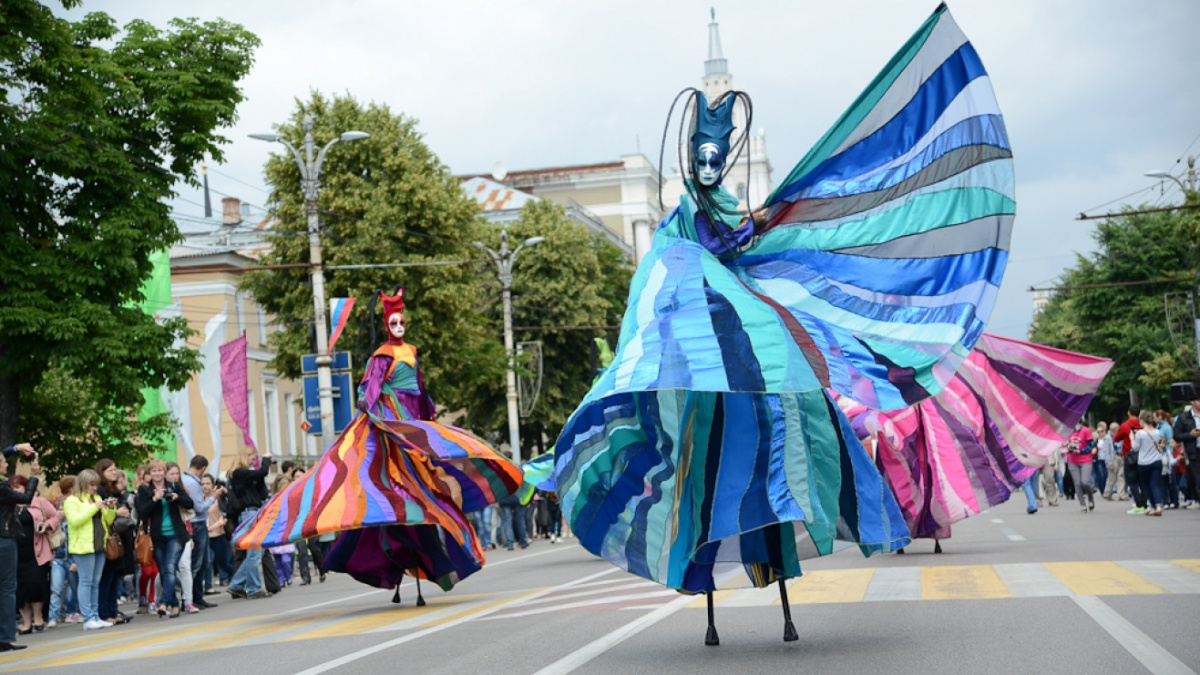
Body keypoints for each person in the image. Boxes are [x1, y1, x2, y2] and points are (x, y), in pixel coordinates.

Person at [553, 5, 1013, 646]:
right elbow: (668, 278)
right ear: (692, 157)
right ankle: (708, 595)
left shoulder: (727, 210)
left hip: (753, 372)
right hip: (703, 382)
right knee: (703, 483)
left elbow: (745, 242)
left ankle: (783, 592)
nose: (711, 163)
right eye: (703, 154)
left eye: (719, 154)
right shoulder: (680, 223)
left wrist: (773, 221)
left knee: (780, 462)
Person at [233, 288, 522, 603]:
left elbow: (421, 390)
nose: (399, 326)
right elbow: (370, 386)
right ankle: (393, 546)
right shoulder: (383, 354)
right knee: (387, 487)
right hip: (391, 422)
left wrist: (426, 424)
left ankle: (432, 552)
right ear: (387, 324)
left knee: (426, 489)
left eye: (402, 321)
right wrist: (376, 412)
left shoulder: (411, 351)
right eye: (394, 321)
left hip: (411, 428)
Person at [135, 459, 194, 618]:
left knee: (169, 567)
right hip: (156, 537)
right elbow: (142, 513)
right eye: (153, 471)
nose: (157, 474)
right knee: (165, 571)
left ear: (164, 472)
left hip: (176, 535)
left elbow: (190, 504)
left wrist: (177, 497)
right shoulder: (144, 490)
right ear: (149, 474)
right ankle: (174, 605)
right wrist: (155, 499)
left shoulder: (174, 485)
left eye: (160, 470)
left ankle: (164, 602)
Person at [64, 468, 116, 631]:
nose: (95, 488)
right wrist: (94, 507)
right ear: (83, 483)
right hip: (83, 547)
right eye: (92, 485)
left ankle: (95, 616)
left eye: (96, 485)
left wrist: (110, 508)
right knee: (86, 582)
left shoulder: (97, 497)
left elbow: (108, 520)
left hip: (99, 544)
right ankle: (87, 618)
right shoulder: (72, 501)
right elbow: (75, 521)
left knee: (95, 582)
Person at [1, 444, 40, 651]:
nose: (6, 464)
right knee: (7, 588)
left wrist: (16, 448)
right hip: (4, 539)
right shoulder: (2, 487)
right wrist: (33, 477)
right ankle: (6, 637)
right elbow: (25, 499)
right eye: (3, 462)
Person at [11, 474, 60, 634]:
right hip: (15, 552)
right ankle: (26, 622)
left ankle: (38, 617)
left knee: (36, 584)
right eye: (12, 487)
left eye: (18, 487)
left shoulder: (38, 502)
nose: (14, 490)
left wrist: (47, 525)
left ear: (25, 487)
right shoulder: (8, 504)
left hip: (37, 551)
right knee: (20, 588)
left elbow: (57, 515)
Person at [226, 448, 274, 600]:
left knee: (256, 553)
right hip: (249, 513)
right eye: (252, 459)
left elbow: (262, 494)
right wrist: (266, 461)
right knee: (254, 552)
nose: (253, 463)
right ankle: (254, 589)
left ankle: (236, 585)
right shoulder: (238, 473)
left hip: (255, 512)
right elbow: (263, 472)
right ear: (244, 457)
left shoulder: (246, 476)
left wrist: (259, 478)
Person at [95, 459, 134, 625]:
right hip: (108, 537)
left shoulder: (113, 489)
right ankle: (104, 612)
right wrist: (117, 511)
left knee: (115, 577)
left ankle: (112, 610)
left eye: (115, 469)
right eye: (110, 470)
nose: (114, 472)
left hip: (119, 536)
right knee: (107, 577)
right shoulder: (99, 490)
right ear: (101, 472)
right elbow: (102, 512)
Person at [181, 455, 220, 610]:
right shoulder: (194, 483)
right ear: (203, 469)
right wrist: (213, 498)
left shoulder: (183, 479)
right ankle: (192, 598)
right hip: (197, 525)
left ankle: (195, 597)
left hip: (191, 524)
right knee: (197, 564)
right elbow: (199, 508)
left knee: (202, 562)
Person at [48, 476, 81, 628]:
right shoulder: (55, 525)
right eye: (59, 509)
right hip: (59, 559)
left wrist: (76, 561)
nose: (61, 512)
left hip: (72, 559)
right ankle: (53, 617)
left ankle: (79, 612)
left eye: (64, 509)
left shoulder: (72, 524)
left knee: (76, 588)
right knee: (56, 589)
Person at [1132, 410, 1164, 516]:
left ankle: (1152, 506)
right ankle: (1159, 505)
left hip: (1144, 462)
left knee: (1147, 485)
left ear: (1142, 420)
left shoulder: (1140, 433)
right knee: (1155, 484)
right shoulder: (1157, 432)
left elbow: (1135, 448)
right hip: (1157, 460)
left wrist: (1132, 438)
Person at [1172, 394, 1200, 509]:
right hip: (1194, 452)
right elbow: (1177, 436)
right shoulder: (1183, 418)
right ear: (1193, 402)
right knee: (1198, 479)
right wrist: (1190, 435)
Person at [1113, 406, 1144, 507]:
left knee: (1131, 481)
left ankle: (1138, 503)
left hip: (1129, 455)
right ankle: (1145, 501)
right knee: (1142, 481)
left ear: (1129, 413)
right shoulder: (1142, 424)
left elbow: (1116, 438)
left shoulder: (1125, 425)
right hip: (1143, 454)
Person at [1064, 421, 1097, 512]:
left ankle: (1090, 499)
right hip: (1072, 460)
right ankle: (1082, 504)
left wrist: (1081, 451)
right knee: (1077, 483)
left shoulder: (1086, 431)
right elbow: (1068, 443)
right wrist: (1068, 446)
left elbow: (1091, 445)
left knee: (1085, 482)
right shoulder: (1069, 431)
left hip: (1085, 459)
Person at [1093, 421, 1111, 501]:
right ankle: (1103, 491)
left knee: (1107, 475)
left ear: (1105, 431)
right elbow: (1093, 450)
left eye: (1102, 431)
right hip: (1099, 459)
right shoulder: (1096, 440)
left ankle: (1107, 491)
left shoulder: (1108, 439)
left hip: (1106, 459)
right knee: (1101, 476)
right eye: (1098, 432)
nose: (1100, 433)